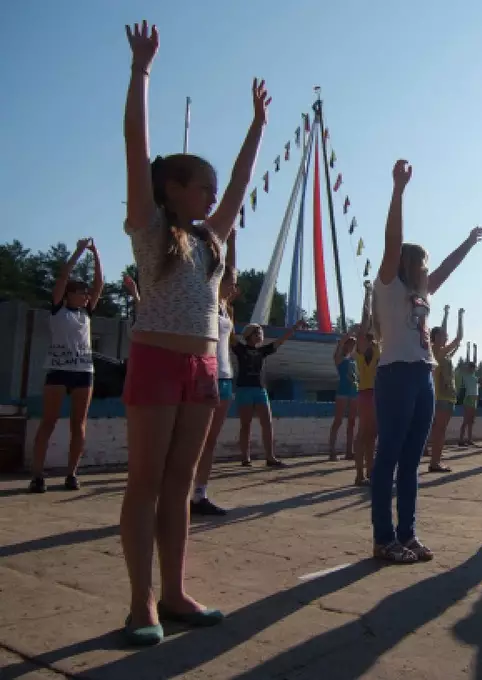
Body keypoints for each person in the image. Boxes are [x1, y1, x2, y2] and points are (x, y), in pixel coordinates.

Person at [120, 20, 267, 645]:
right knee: (146, 483)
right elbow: (135, 145)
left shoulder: (213, 239)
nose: (211, 196)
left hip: (204, 369)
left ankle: (176, 592)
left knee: (180, 486)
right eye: (200, 187)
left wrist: (258, 125)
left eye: (211, 188)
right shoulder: (150, 227)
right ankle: (141, 603)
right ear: (172, 188)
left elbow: (239, 182)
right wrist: (141, 71)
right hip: (156, 359)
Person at [370, 159, 482, 563]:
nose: (427, 269)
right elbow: (392, 240)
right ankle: (384, 539)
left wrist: (468, 243)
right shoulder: (388, 285)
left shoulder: (423, 292)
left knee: (411, 461)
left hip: (423, 375)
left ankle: (407, 534)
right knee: (389, 456)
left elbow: (447, 269)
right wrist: (398, 191)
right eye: (423, 263)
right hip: (396, 374)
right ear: (409, 264)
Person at [30, 237, 104, 493]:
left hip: (83, 372)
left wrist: (96, 253)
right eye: (81, 292)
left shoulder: (86, 313)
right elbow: (63, 277)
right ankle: (37, 475)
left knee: (78, 424)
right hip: (58, 370)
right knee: (48, 422)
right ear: (69, 295)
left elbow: (99, 284)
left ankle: (72, 473)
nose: (86, 296)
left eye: (86, 294)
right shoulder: (58, 309)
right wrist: (79, 251)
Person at [191, 231, 238, 516]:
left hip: (226, 376)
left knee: (210, 440)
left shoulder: (225, 308)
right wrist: (227, 246)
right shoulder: (207, 299)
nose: (234, 288)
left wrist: (233, 242)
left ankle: (200, 493)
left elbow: (232, 269)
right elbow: (224, 268)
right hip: (207, 375)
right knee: (195, 439)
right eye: (231, 283)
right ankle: (179, 491)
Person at [234, 320, 306, 466]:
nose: (259, 335)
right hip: (244, 389)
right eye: (256, 332)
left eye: (260, 332)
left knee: (267, 423)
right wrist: (228, 316)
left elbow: (280, 342)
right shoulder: (240, 348)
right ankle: (245, 457)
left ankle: (270, 457)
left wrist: (294, 328)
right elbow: (230, 336)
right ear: (248, 335)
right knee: (246, 424)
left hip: (260, 389)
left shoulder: (262, 351)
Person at [427, 305, 464, 472]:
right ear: (435, 337)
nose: (445, 337)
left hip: (448, 397)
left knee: (440, 430)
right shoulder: (436, 351)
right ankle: (435, 462)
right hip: (441, 396)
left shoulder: (445, 354)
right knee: (439, 430)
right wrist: (447, 314)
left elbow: (459, 338)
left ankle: (436, 460)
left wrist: (460, 317)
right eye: (442, 335)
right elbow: (455, 337)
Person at [353, 282, 379, 485]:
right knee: (363, 434)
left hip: (377, 394)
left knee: (372, 435)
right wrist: (368, 294)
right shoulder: (362, 346)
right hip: (366, 393)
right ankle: (360, 473)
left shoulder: (378, 346)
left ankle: (370, 471)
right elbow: (365, 318)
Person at [329, 331, 359, 461]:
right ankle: (332, 451)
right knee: (338, 420)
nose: (352, 346)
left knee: (352, 421)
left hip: (354, 391)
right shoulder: (339, 358)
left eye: (353, 345)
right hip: (342, 391)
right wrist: (349, 333)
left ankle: (349, 451)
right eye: (350, 344)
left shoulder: (353, 359)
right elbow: (340, 344)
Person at [458, 345, 479, 445]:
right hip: (468, 398)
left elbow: (474, 360)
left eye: (473, 368)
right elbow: (467, 361)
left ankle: (469, 439)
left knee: (471, 421)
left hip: (475, 399)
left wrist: (475, 350)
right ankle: (461, 440)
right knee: (466, 420)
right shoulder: (466, 375)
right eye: (471, 367)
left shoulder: (474, 376)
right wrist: (468, 349)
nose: (472, 369)